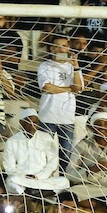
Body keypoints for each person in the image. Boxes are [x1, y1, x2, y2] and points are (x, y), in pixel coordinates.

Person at [0, 109, 71, 196]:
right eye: (29, 122)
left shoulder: (46, 138)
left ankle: (29, 194)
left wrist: (39, 176)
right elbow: (9, 167)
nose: (32, 125)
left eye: (35, 122)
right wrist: (24, 176)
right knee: (11, 181)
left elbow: (52, 162)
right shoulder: (12, 141)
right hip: (22, 179)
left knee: (64, 181)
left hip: (42, 179)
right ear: (21, 122)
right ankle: (39, 194)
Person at [38, 33, 83, 168]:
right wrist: (69, 88)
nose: (61, 49)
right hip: (47, 117)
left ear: (68, 48)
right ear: (51, 48)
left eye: (64, 46)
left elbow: (78, 88)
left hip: (67, 118)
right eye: (57, 46)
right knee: (44, 153)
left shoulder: (72, 67)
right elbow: (47, 88)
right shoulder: (45, 66)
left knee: (66, 155)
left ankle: (63, 178)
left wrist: (76, 67)